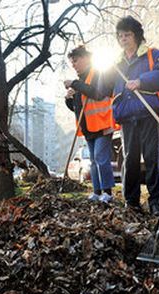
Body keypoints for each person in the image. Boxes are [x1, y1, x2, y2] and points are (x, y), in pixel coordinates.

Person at [98, 16, 159, 215]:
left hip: (149, 114)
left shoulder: (153, 55)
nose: (123, 39)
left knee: (152, 158)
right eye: (120, 36)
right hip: (127, 116)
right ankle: (131, 202)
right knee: (129, 159)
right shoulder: (117, 63)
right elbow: (103, 89)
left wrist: (141, 81)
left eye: (127, 35)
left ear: (137, 35)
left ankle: (156, 200)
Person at [64, 46, 116, 203]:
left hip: (102, 123)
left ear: (86, 58)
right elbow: (78, 108)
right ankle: (97, 191)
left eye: (76, 60)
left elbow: (97, 92)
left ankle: (107, 192)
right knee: (93, 161)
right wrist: (69, 99)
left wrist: (75, 84)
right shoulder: (79, 82)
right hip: (88, 128)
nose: (74, 65)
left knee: (101, 158)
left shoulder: (97, 73)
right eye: (72, 62)